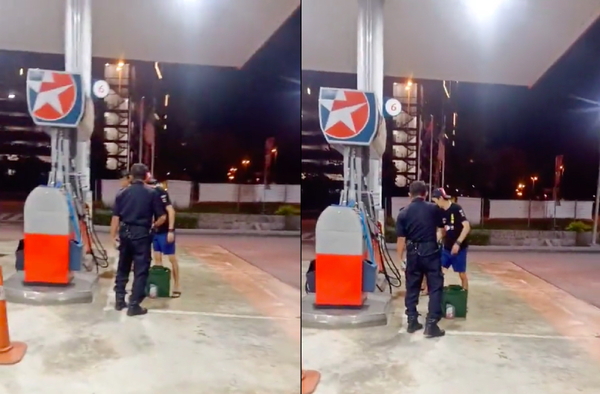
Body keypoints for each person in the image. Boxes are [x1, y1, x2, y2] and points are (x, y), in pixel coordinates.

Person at [110, 163, 167, 316]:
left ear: (131, 176)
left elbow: (115, 217)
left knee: (123, 267)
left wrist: (113, 236)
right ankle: (134, 304)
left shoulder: (122, 193)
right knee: (141, 270)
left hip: (125, 233)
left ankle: (119, 300)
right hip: (141, 234)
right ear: (146, 176)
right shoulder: (152, 193)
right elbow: (162, 216)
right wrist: (153, 226)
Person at [396, 181, 445, 338]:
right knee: (435, 286)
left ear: (410, 195)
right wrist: (437, 239)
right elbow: (441, 230)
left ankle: (412, 320)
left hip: (413, 253)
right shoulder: (433, 209)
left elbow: (401, 239)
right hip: (431, 251)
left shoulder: (403, 212)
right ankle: (431, 324)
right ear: (425, 194)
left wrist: (400, 258)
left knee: (412, 286)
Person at [432, 188, 471, 291]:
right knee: (439, 271)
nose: (435, 203)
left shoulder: (456, 209)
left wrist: (458, 243)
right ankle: (438, 294)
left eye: (435, 200)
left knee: (461, 274)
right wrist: (432, 242)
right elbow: (441, 231)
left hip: (460, 248)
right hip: (447, 248)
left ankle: (463, 295)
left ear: (441, 198)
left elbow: (466, 227)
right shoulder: (440, 212)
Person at [147, 178, 181, 298]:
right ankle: (159, 286)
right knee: (157, 259)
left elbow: (171, 212)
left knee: (172, 259)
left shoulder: (160, 192)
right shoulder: (150, 195)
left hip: (165, 231)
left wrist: (170, 231)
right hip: (156, 232)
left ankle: (177, 286)